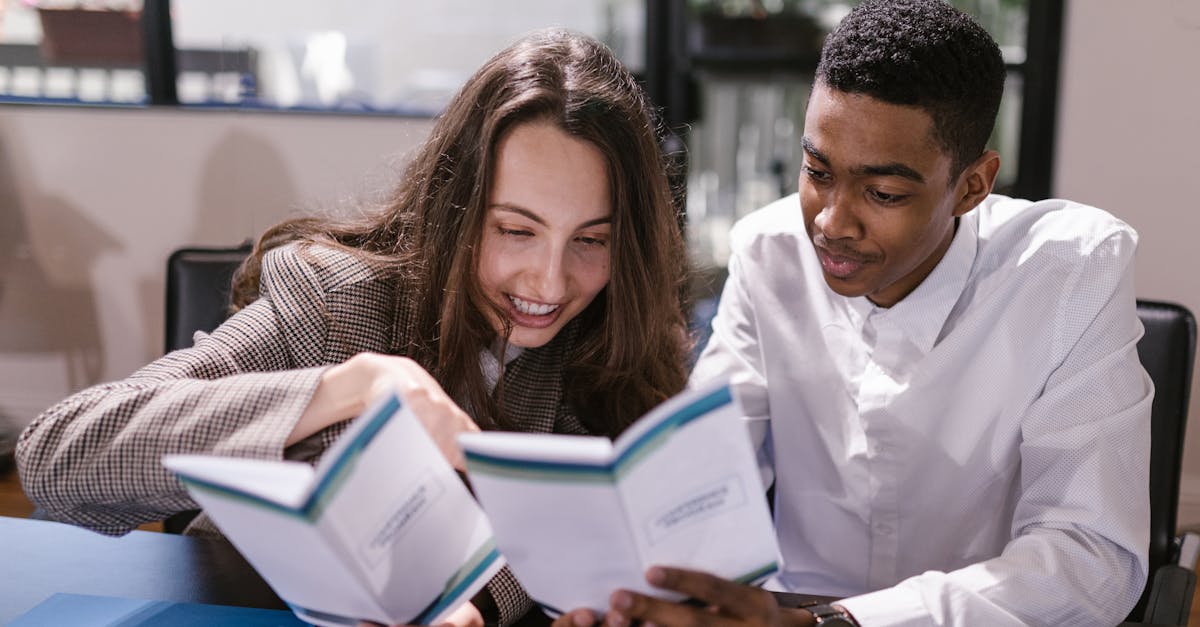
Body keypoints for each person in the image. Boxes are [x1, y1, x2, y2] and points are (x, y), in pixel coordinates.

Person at [16, 28, 690, 627]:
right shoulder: (334, 303)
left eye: (590, 241)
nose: (548, 283)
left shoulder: (611, 340)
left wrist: (472, 605)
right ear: (456, 209)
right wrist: (342, 390)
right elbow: (55, 459)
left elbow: (562, 528)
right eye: (515, 230)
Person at [554, 1, 1152, 626]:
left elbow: (1094, 558)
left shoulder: (1074, 269)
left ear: (973, 185)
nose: (831, 223)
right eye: (818, 171)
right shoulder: (768, 251)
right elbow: (709, 466)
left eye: (883, 193)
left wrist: (840, 623)